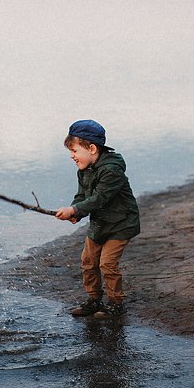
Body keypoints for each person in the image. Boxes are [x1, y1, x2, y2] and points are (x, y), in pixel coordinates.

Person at [55, 120, 141, 318]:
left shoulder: (111, 170)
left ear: (92, 149)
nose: (72, 156)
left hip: (121, 224)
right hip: (100, 223)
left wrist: (74, 209)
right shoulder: (84, 170)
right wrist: (76, 212)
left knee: (107, 264)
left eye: (74, 150)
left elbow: (99, 198)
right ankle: (94, 300)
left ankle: (116, 304)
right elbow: (82, 196)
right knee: (88, 261)